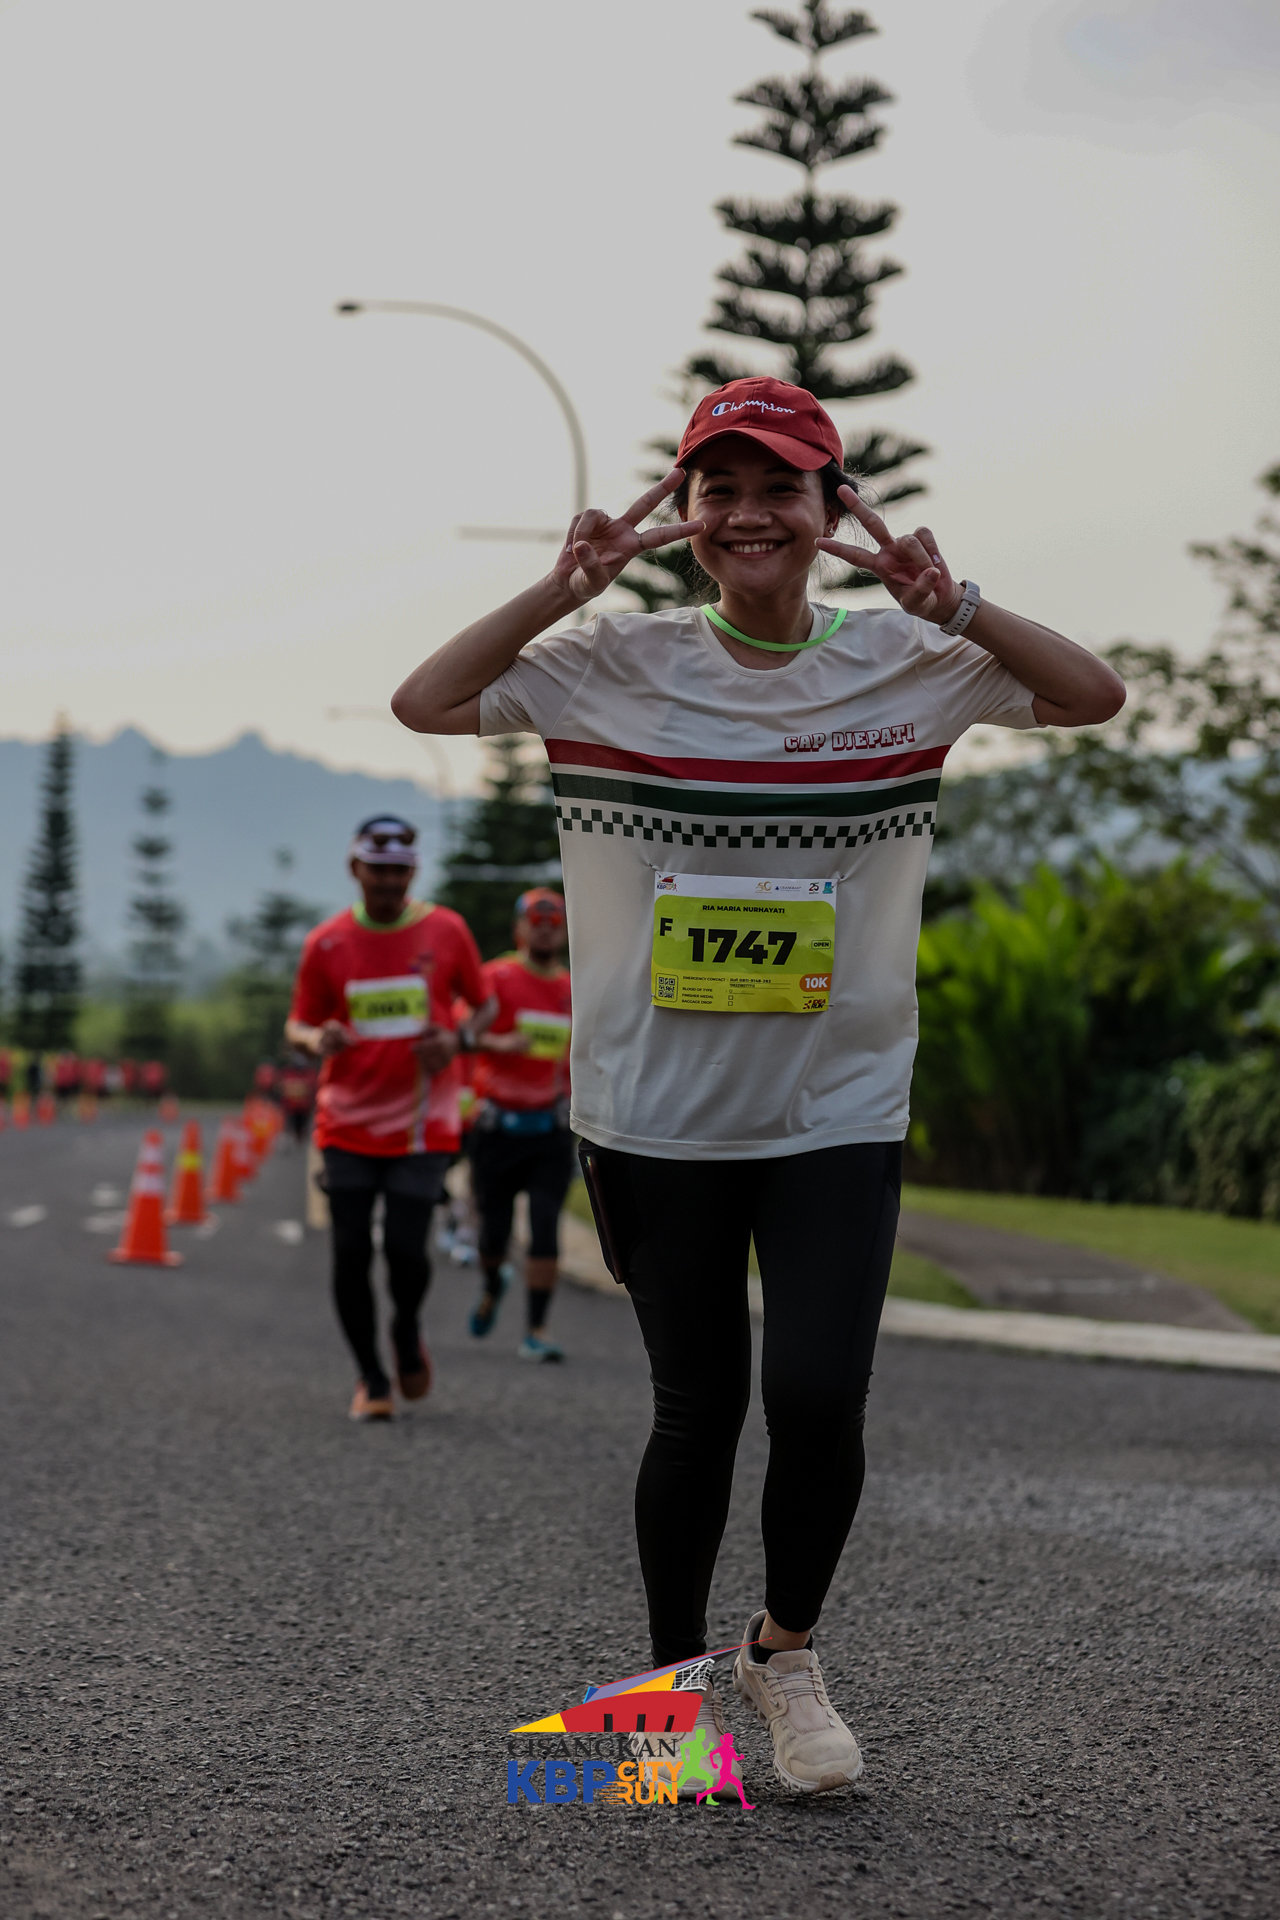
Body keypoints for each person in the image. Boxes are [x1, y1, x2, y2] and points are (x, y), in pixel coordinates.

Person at [390, 376, 1125, 1791]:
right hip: (651, 1113)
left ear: (832, 506)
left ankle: (782, 1658)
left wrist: (957, 605)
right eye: (715, 489)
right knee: (698, 1409)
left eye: (779, 486)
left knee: (820, 1396)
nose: (746, 514)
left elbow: (1092, 695)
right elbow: (426, 701)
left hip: (833, 1108)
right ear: (682, 511)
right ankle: (665, 1711)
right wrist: (561, 590)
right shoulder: (608, 661)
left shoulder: (909, 659)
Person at [285, 814, 496, 1421]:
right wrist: (315, 1039)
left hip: (422, 1123)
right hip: (346, 1121)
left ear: (414, 872)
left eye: (400, 871)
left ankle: (405, 1328)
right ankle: (372, 1378)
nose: (388, 882)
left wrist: (457, 1041)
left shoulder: (446, 930)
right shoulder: (327, 942)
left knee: (406, 1251)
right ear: (355, 868)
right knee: (350, 1250)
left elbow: (484, 1006)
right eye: (378, 870)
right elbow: (297, 1023)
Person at [467, 888, 574, 1362]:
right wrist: (501, 1043)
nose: (546, 930)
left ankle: (536, 1330)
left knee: (546, 1226)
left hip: (550, 1127)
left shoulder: (574, 988)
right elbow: (462, 1035)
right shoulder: (496, 978)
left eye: (555, 923)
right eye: (537, 922)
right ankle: (493, 1280)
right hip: (497, 1128)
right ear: (519, 929)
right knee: (493, 1234)